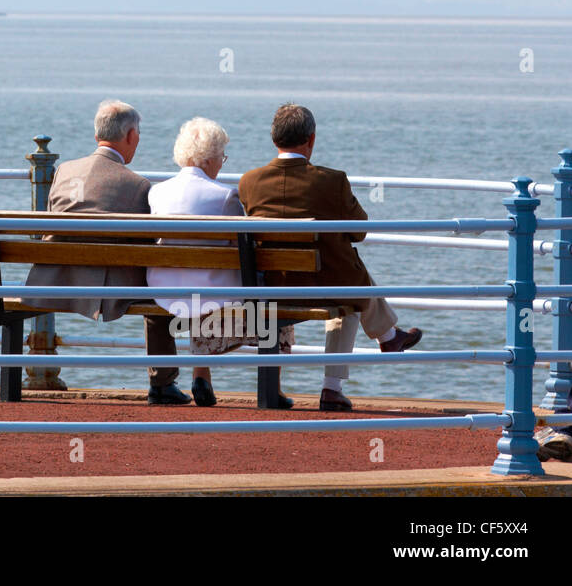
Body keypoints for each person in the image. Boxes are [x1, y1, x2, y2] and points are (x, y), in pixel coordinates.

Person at [237, 104, 423, 412]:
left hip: (272, 287)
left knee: (351, 286)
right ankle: (334, 386)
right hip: (324, 286)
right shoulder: (332, 181)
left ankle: (388, 337)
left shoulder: (249, 182)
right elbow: (359, 231)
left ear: (274, 140)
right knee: (351, 293)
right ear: (311, 139)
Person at [23, 99, 188, 404]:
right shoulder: (138, 185)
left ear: (97, 134)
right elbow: (146, 247)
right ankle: (162, 384)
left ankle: (15, 378)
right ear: (129, 136)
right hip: (109, 290)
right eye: (137, 134)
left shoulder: (64, 171)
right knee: (162, 292)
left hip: (55, 280)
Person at [146, 117, 294, 408]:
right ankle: (271, 388)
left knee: (201, 283)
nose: (222, 164)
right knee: (271, 299)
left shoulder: (156, 192)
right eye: (222, 157)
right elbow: (244, 246)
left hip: (165, 291)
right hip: (210, 292)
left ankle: (202, 375)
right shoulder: (226, 196)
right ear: (211, 158)